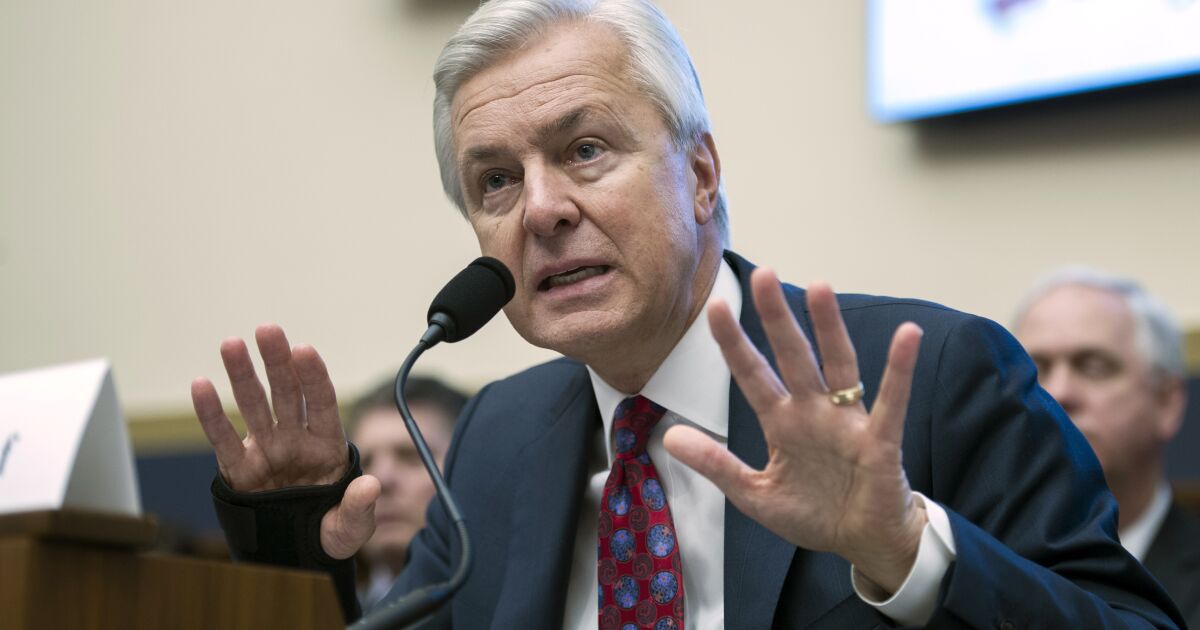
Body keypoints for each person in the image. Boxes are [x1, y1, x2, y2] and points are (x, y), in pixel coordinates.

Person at [191, 0, 1182, 627]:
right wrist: (290, 541)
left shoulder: (929, 378)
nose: (541, 209)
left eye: (585, 150)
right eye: (495, 180)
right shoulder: (496, 438)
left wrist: (909, 552)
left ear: (701, 174)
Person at [1014, 267, 1200, 627]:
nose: (1058, 393)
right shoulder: (959, 570)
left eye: (1094, 367)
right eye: (1036, 371)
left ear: (1167, 401)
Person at [344, 376, 467, 607]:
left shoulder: (510, 608)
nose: (379, 480)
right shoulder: (322, 611)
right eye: (363, 463)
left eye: (411, 456)